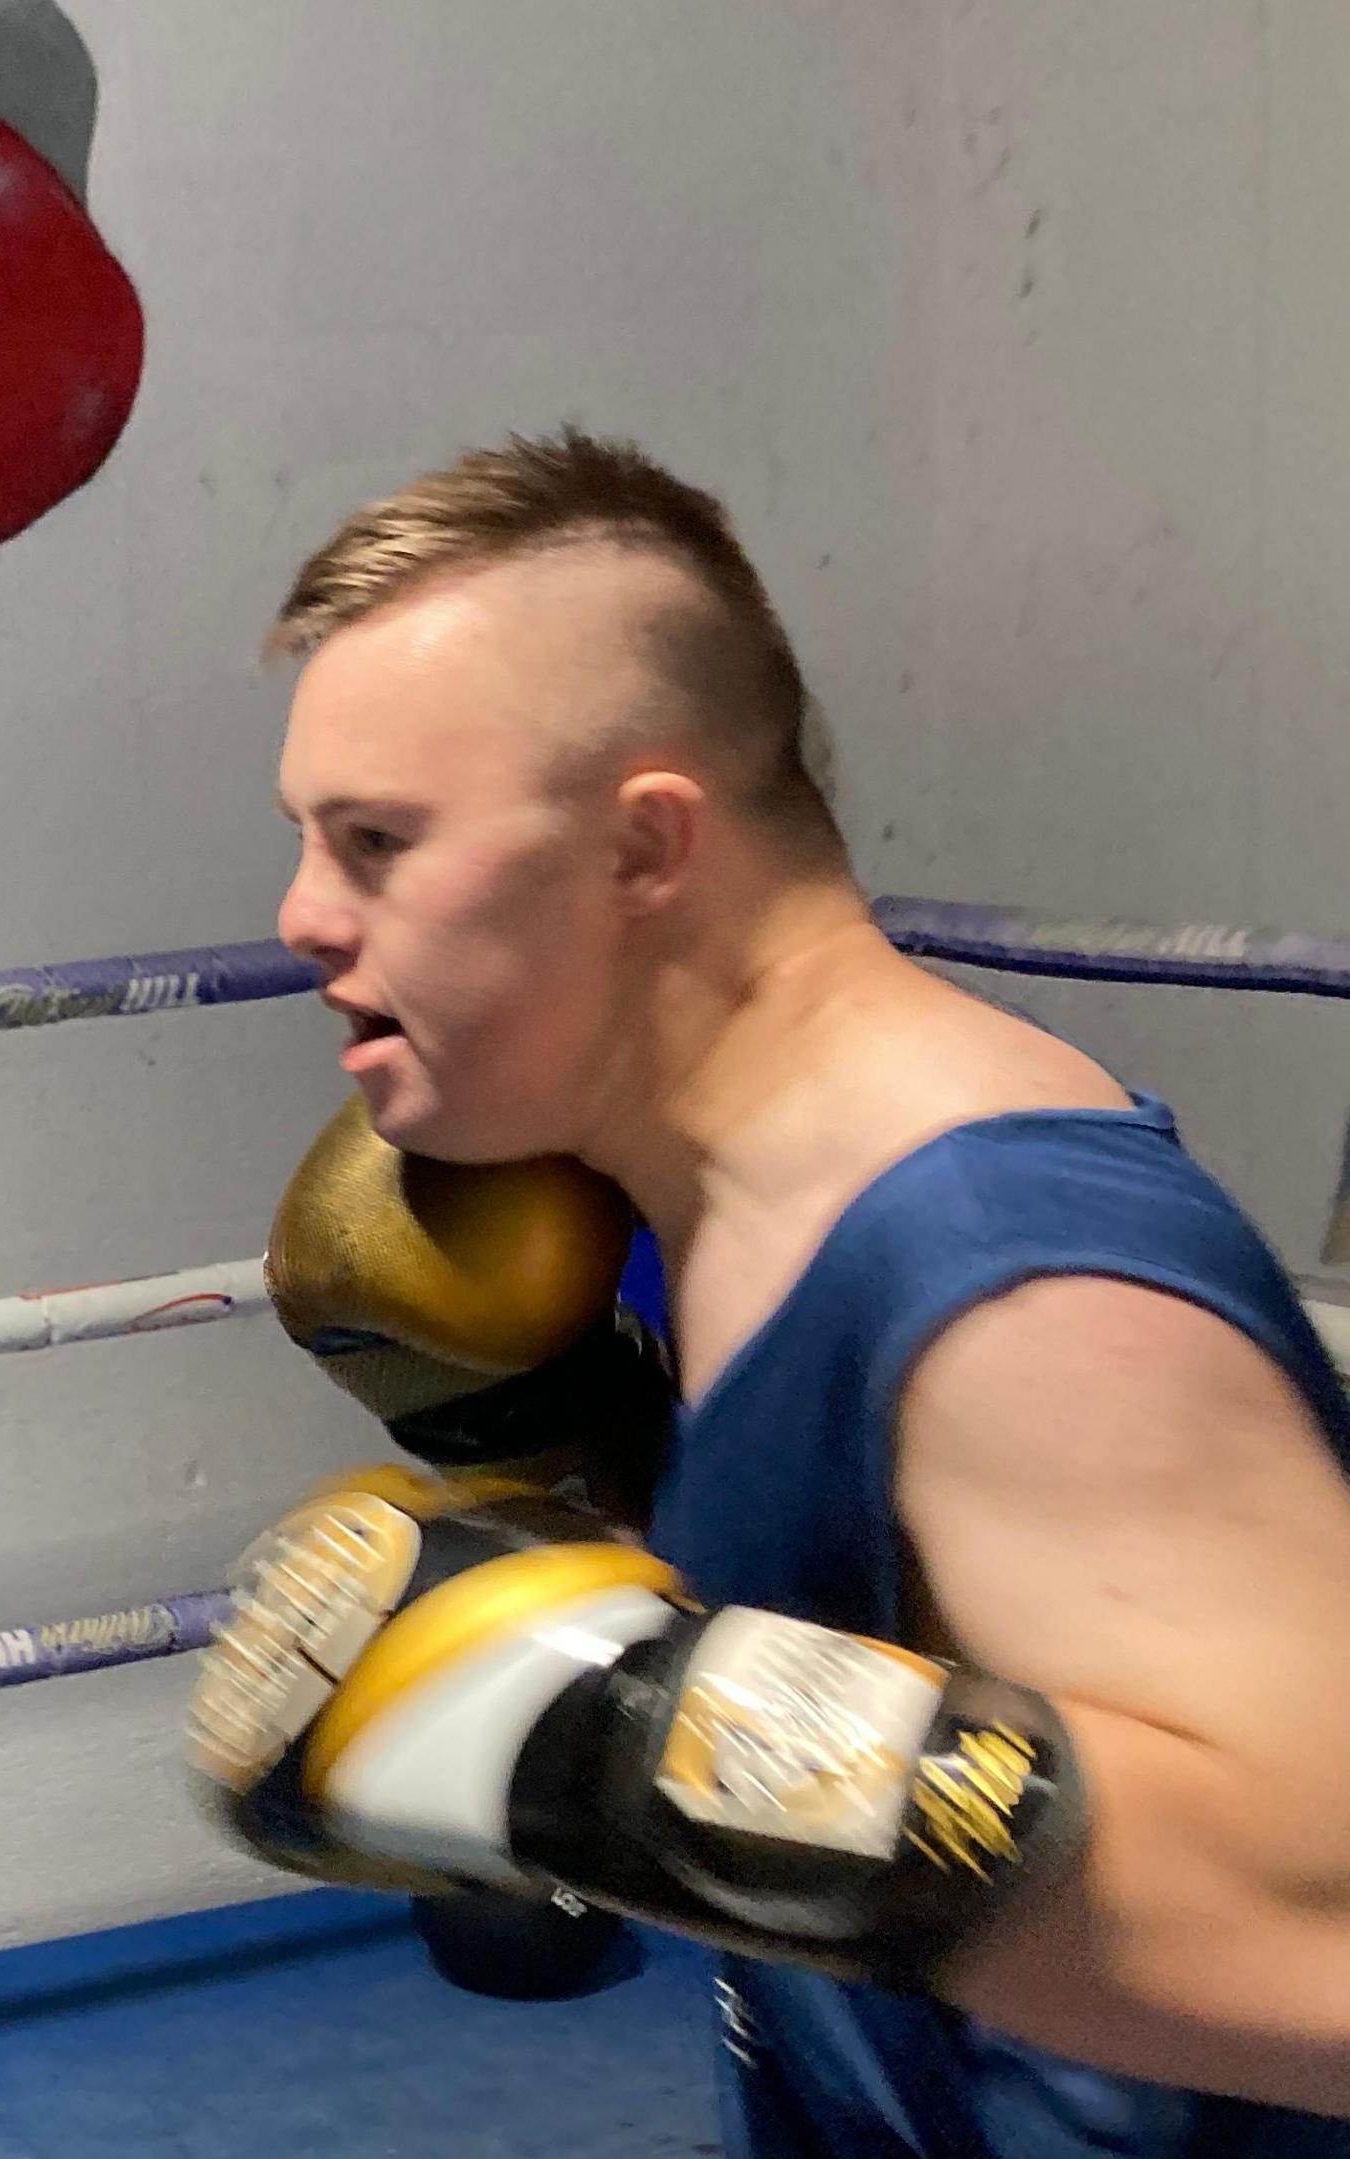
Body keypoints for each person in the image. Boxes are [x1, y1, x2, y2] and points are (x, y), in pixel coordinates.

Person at [199, 429, 1350, 2155]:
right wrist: (579, 1462)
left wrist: (586, 1746)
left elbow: (1327, 1949)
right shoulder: (673, 1199)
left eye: (378, 841)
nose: (301, 914)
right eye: (306, 836)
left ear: (646, 849)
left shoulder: (1014, 1283)